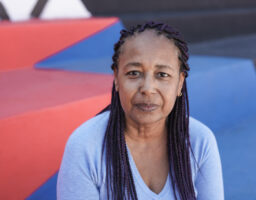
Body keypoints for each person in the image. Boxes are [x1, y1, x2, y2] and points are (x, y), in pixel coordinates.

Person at [57, 22, 224, 200]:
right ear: (116, 78)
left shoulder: (200, 141)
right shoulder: (85, 146)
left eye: (162, 75)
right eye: (134, 73)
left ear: (180, 83)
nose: (147, 88)